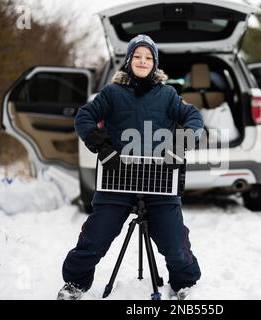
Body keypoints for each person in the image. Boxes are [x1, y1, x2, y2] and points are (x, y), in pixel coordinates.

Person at [57, 34, 203, 300]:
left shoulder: (168, 94)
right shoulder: (112, 93)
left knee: (175, 244)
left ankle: (184, 285)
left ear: (155, 63)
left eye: (148, 57)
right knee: (95, 237)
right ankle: (75, 284)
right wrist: (103, 147)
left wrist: (180, 146)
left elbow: (193, 117)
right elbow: (84, 116)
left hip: (160, 182)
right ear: (128, 61)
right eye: (137, 56)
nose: (143, 61)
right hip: (118, 180)